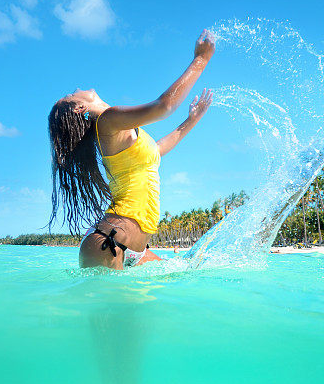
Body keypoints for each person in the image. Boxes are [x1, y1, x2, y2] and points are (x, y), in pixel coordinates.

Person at [48, 30, 215, 269]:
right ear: (78, 108)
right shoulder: (107, 121)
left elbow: (156, 150)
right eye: (70, 95)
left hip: (135, 248)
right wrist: (201, 59)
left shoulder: (115, 133)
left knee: (185, 272)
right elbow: (163, 106)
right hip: (109, 242)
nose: (74, 89)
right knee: (109, 308)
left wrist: (191, 120)